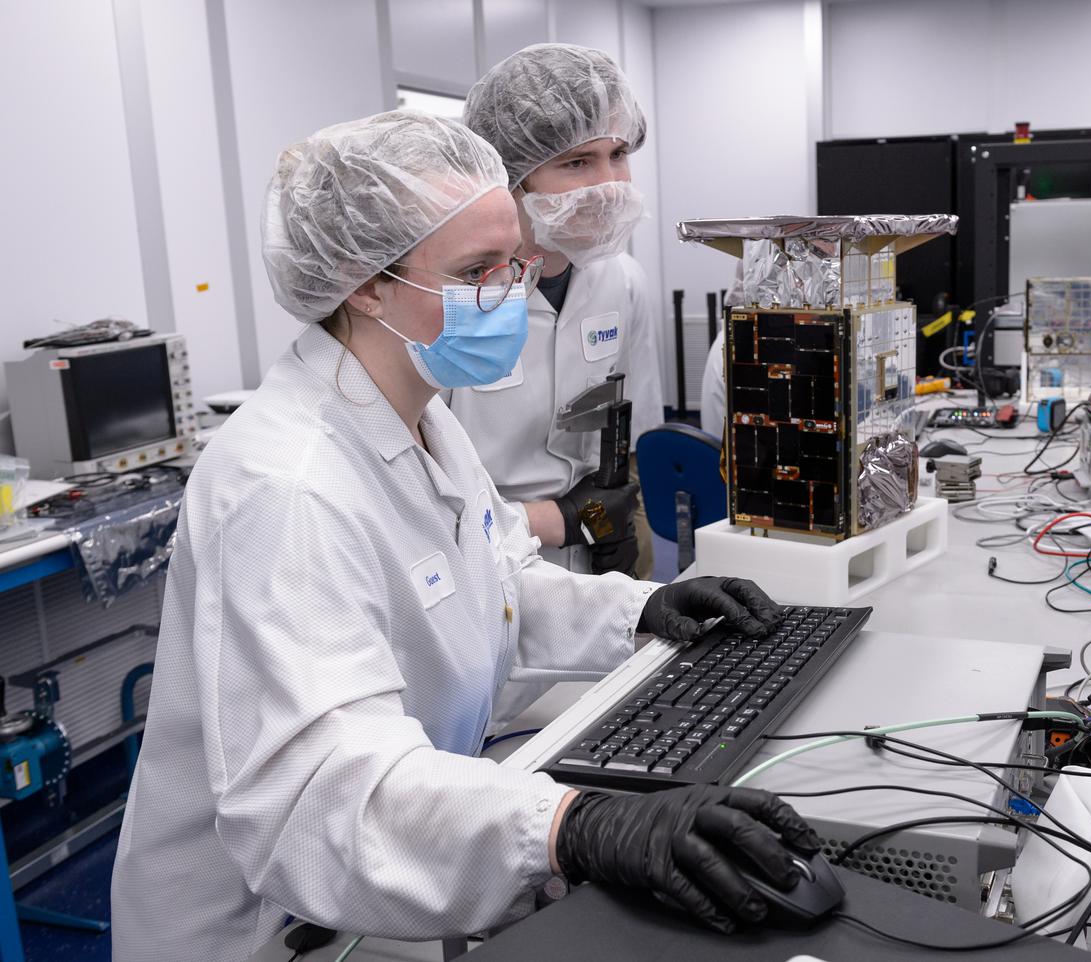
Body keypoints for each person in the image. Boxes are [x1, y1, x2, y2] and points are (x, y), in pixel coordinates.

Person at [109, 111, 819, 962]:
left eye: (515, 259)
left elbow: (497, 584)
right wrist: (570, 825)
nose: (516, 292)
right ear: (362, 284)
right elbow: (327, 794)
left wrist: (644, 611)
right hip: (272, 928)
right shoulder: (286, 489)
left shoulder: (422, 420)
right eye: (479, 271)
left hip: (389, 881)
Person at [452, 44, 665, 586]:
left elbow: (632, 448)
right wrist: (563, 522)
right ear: (510, 175)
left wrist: (616, 530)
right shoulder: (458, 299)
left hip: (596, 561)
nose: (608, 185)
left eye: (618, 154)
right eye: (576, 162)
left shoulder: (622, 281)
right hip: (481, 569)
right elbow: (416, 502)